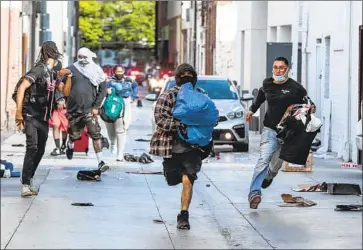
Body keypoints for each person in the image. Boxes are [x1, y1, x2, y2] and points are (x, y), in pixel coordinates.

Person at [246, 56, 315, 209]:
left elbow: (309, 105)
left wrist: (311, 109)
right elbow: (260, 98)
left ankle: (270, 176)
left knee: (275, 165)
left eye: (281, 68)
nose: (278, 70)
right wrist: (251, 110)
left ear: (287, 70)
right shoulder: (267, 83)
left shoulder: (296, 88)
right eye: (275, 67)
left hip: (287, 134)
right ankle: (254, 193)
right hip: (270, 130)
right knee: (263, 159)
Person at [150, 63, 212, 230]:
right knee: (172, 178)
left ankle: (183, 215)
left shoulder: (200, 96)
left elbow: (210, 117)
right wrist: (179, 124)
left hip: (193, 148)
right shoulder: (167, 97)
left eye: (189, 75)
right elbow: (160, 119)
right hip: (171, 147)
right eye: (183, 74)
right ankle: (171, 173)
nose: (187, 77)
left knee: (188, 178)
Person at [14, 41, 70, 197]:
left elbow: (64, 91)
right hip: (31, 113)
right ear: (51, 54)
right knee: (32, 146)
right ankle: (25, 184)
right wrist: (18, 111)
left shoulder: (53, 74)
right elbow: (22, 87)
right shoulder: (39, 70)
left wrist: (69, 76)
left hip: (44, 117)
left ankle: (30, 178)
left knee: (40, 149)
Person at [61, 47, 109, 172]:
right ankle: (70, 144)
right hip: (73, 109)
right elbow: (61, 86)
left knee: (95, 134)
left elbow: (102, 90)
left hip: (89, 109)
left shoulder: (97, 71)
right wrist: (60, 99)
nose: (82, 60)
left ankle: (101, 162)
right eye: (80, 57)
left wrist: (96, 106)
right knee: (74, 135)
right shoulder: (71, 69)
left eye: (84, 57)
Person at [104, 65, 138, 161]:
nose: (119, 73)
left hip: (125, 104)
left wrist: (133, 97)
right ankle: (113, 142)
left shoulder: (129, 80)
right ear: (114, 72)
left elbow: (135, 86)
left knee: (122, 129)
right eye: (117, 71)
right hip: (113, 104)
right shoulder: (110, 81)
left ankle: (120, 154)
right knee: (110, 129)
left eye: (121, 71)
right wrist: (107, 92)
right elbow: (104, 91)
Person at [49, 86, 69, 156]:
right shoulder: (53, 77)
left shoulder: (69, 78)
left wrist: (65, 102)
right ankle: (57, 147)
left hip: (66, 108)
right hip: (55, 108)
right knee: (55, 125)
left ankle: (63, 145)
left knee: (65, 128)